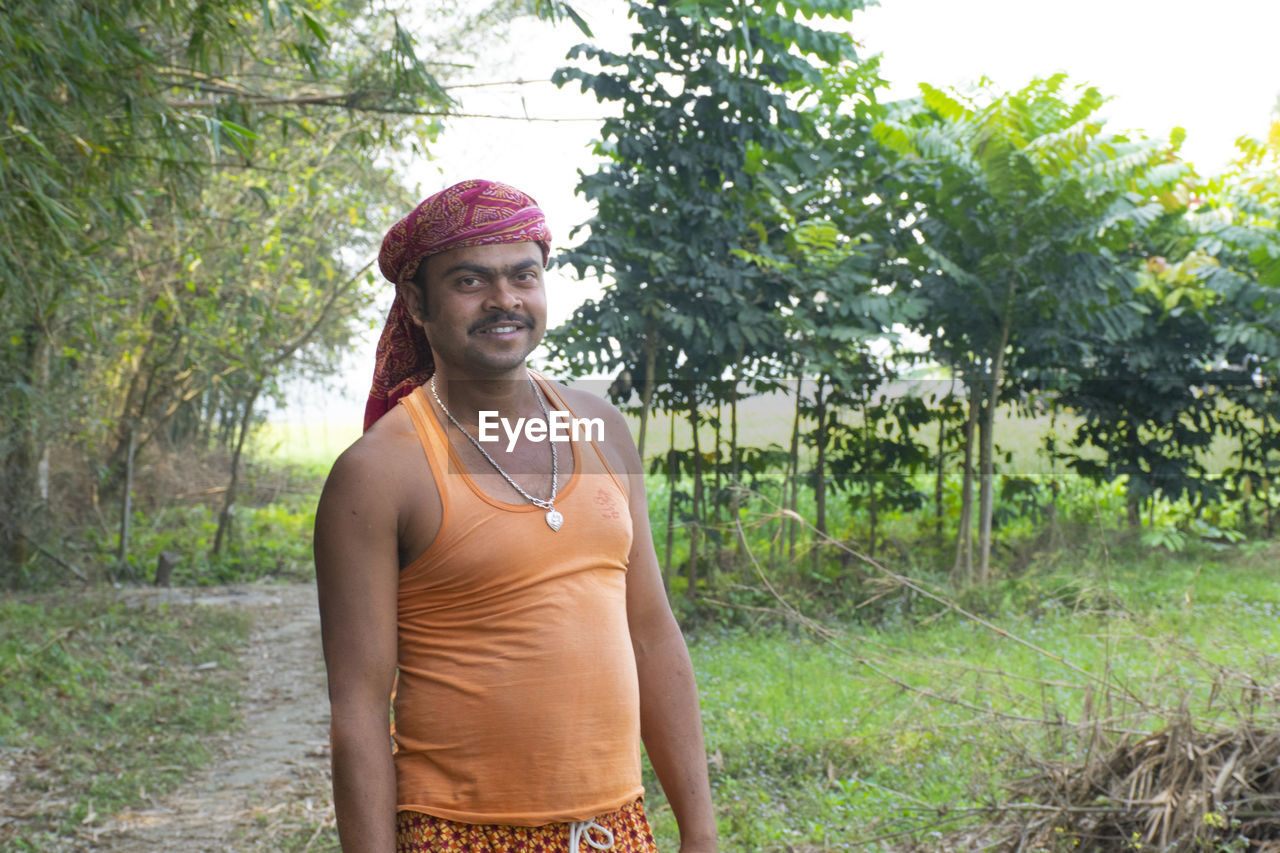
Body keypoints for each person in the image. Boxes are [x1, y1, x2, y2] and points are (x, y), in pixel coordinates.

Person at [313, 179, 718, 853]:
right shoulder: (378, 474)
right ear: (417, 301)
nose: (503, 300)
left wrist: (700, 833)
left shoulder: (603, 431)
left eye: (522, 275)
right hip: (457, 834)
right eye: (470, 280)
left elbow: (653, 636)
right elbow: (357, 708)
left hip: (613, 832)